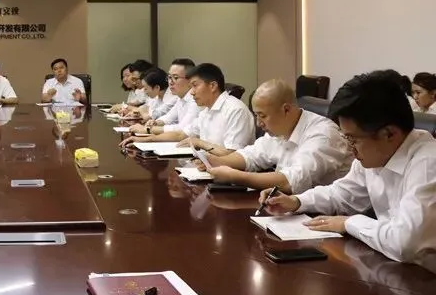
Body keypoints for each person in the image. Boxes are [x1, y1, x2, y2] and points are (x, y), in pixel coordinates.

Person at [260, 72, 436, 272]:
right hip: (394, 268)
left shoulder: (428, 163)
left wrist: (349, 223)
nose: (350, 149)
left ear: (389, 133)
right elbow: (342, 193)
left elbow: (404, 243)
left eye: (353, 139)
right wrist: (297, 201)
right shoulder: (375, 153)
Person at [195, 79, 352, 193]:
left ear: (286, 110)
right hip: (291, 204)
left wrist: (236, 177)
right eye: (256, 115)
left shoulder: (322, 134)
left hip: (327, 216)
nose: (259, 123)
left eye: (262, 116)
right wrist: (217, 161)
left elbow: (291, 181)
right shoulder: (280, 127)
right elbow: (252, 155)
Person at [122, 63, 254, 150]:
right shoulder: (206, 110)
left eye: (195, 86)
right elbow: (181, 134)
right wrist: (144, 140)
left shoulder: (235, 110)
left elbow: (233, 153)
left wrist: (200, 143)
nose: (192, 92)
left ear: (213, 86)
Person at [130, 58, 199, 135]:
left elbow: (182, 128)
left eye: (175, 77)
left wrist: (149, 129)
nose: (170, 82)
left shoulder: (196, 99)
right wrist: (156, 122)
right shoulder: (181, 98)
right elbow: (169, 117)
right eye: (169, 77)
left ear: (190, 79)